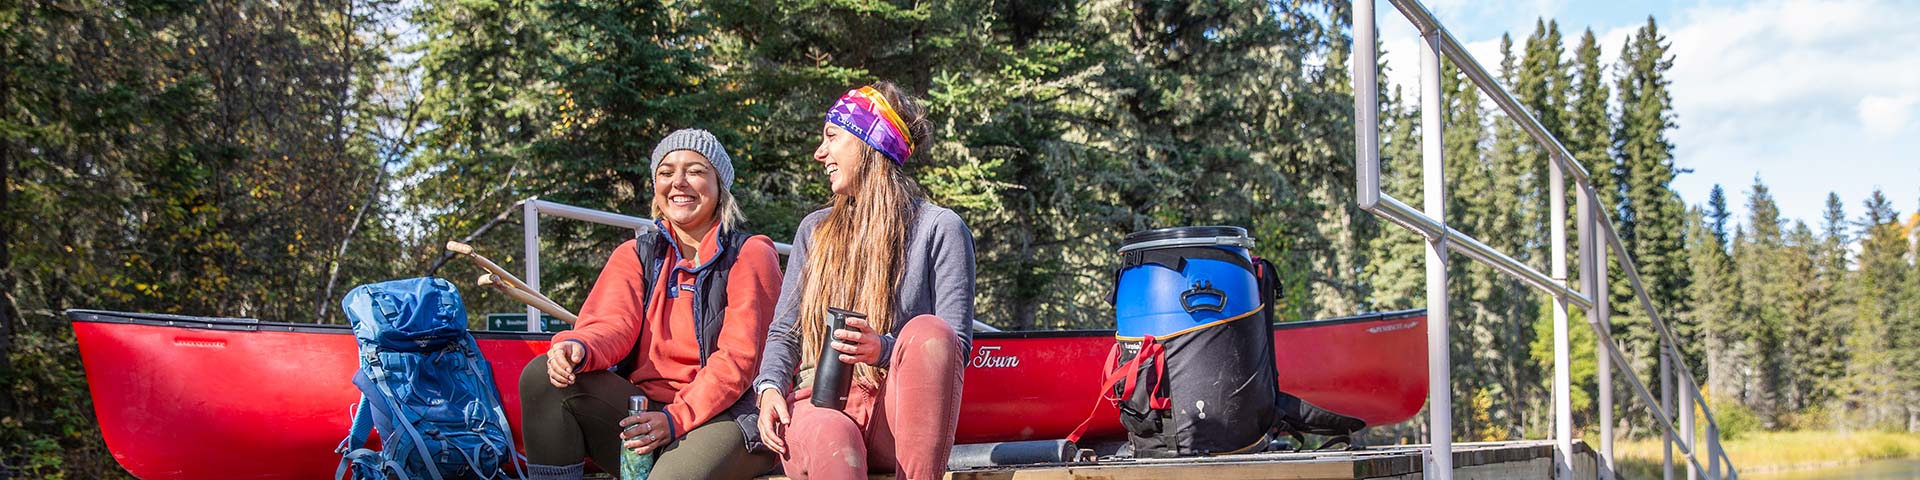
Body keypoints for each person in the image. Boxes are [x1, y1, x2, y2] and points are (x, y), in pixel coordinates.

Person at [519, 129, 782, 480]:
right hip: (645, 412)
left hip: (728, 415)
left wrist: (675, 419)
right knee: (543, 378)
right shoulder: (636, 254)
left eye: (695, 171)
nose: (679, 183)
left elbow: (739, 361)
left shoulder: (750, 254)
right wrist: (577, 347)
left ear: (720, 186)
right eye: (666, 172)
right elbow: (610, 324)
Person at [752, 81, 976, 480]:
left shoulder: (940, 228)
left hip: (897, 415)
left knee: (931, 331)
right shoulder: (814, 230)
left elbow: (952, 350)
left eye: (832, 137)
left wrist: (883, 349)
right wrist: (769, 386)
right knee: (834, 438)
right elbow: (785, 331)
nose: (820, 153)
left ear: (868, 142)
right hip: (820, 408)